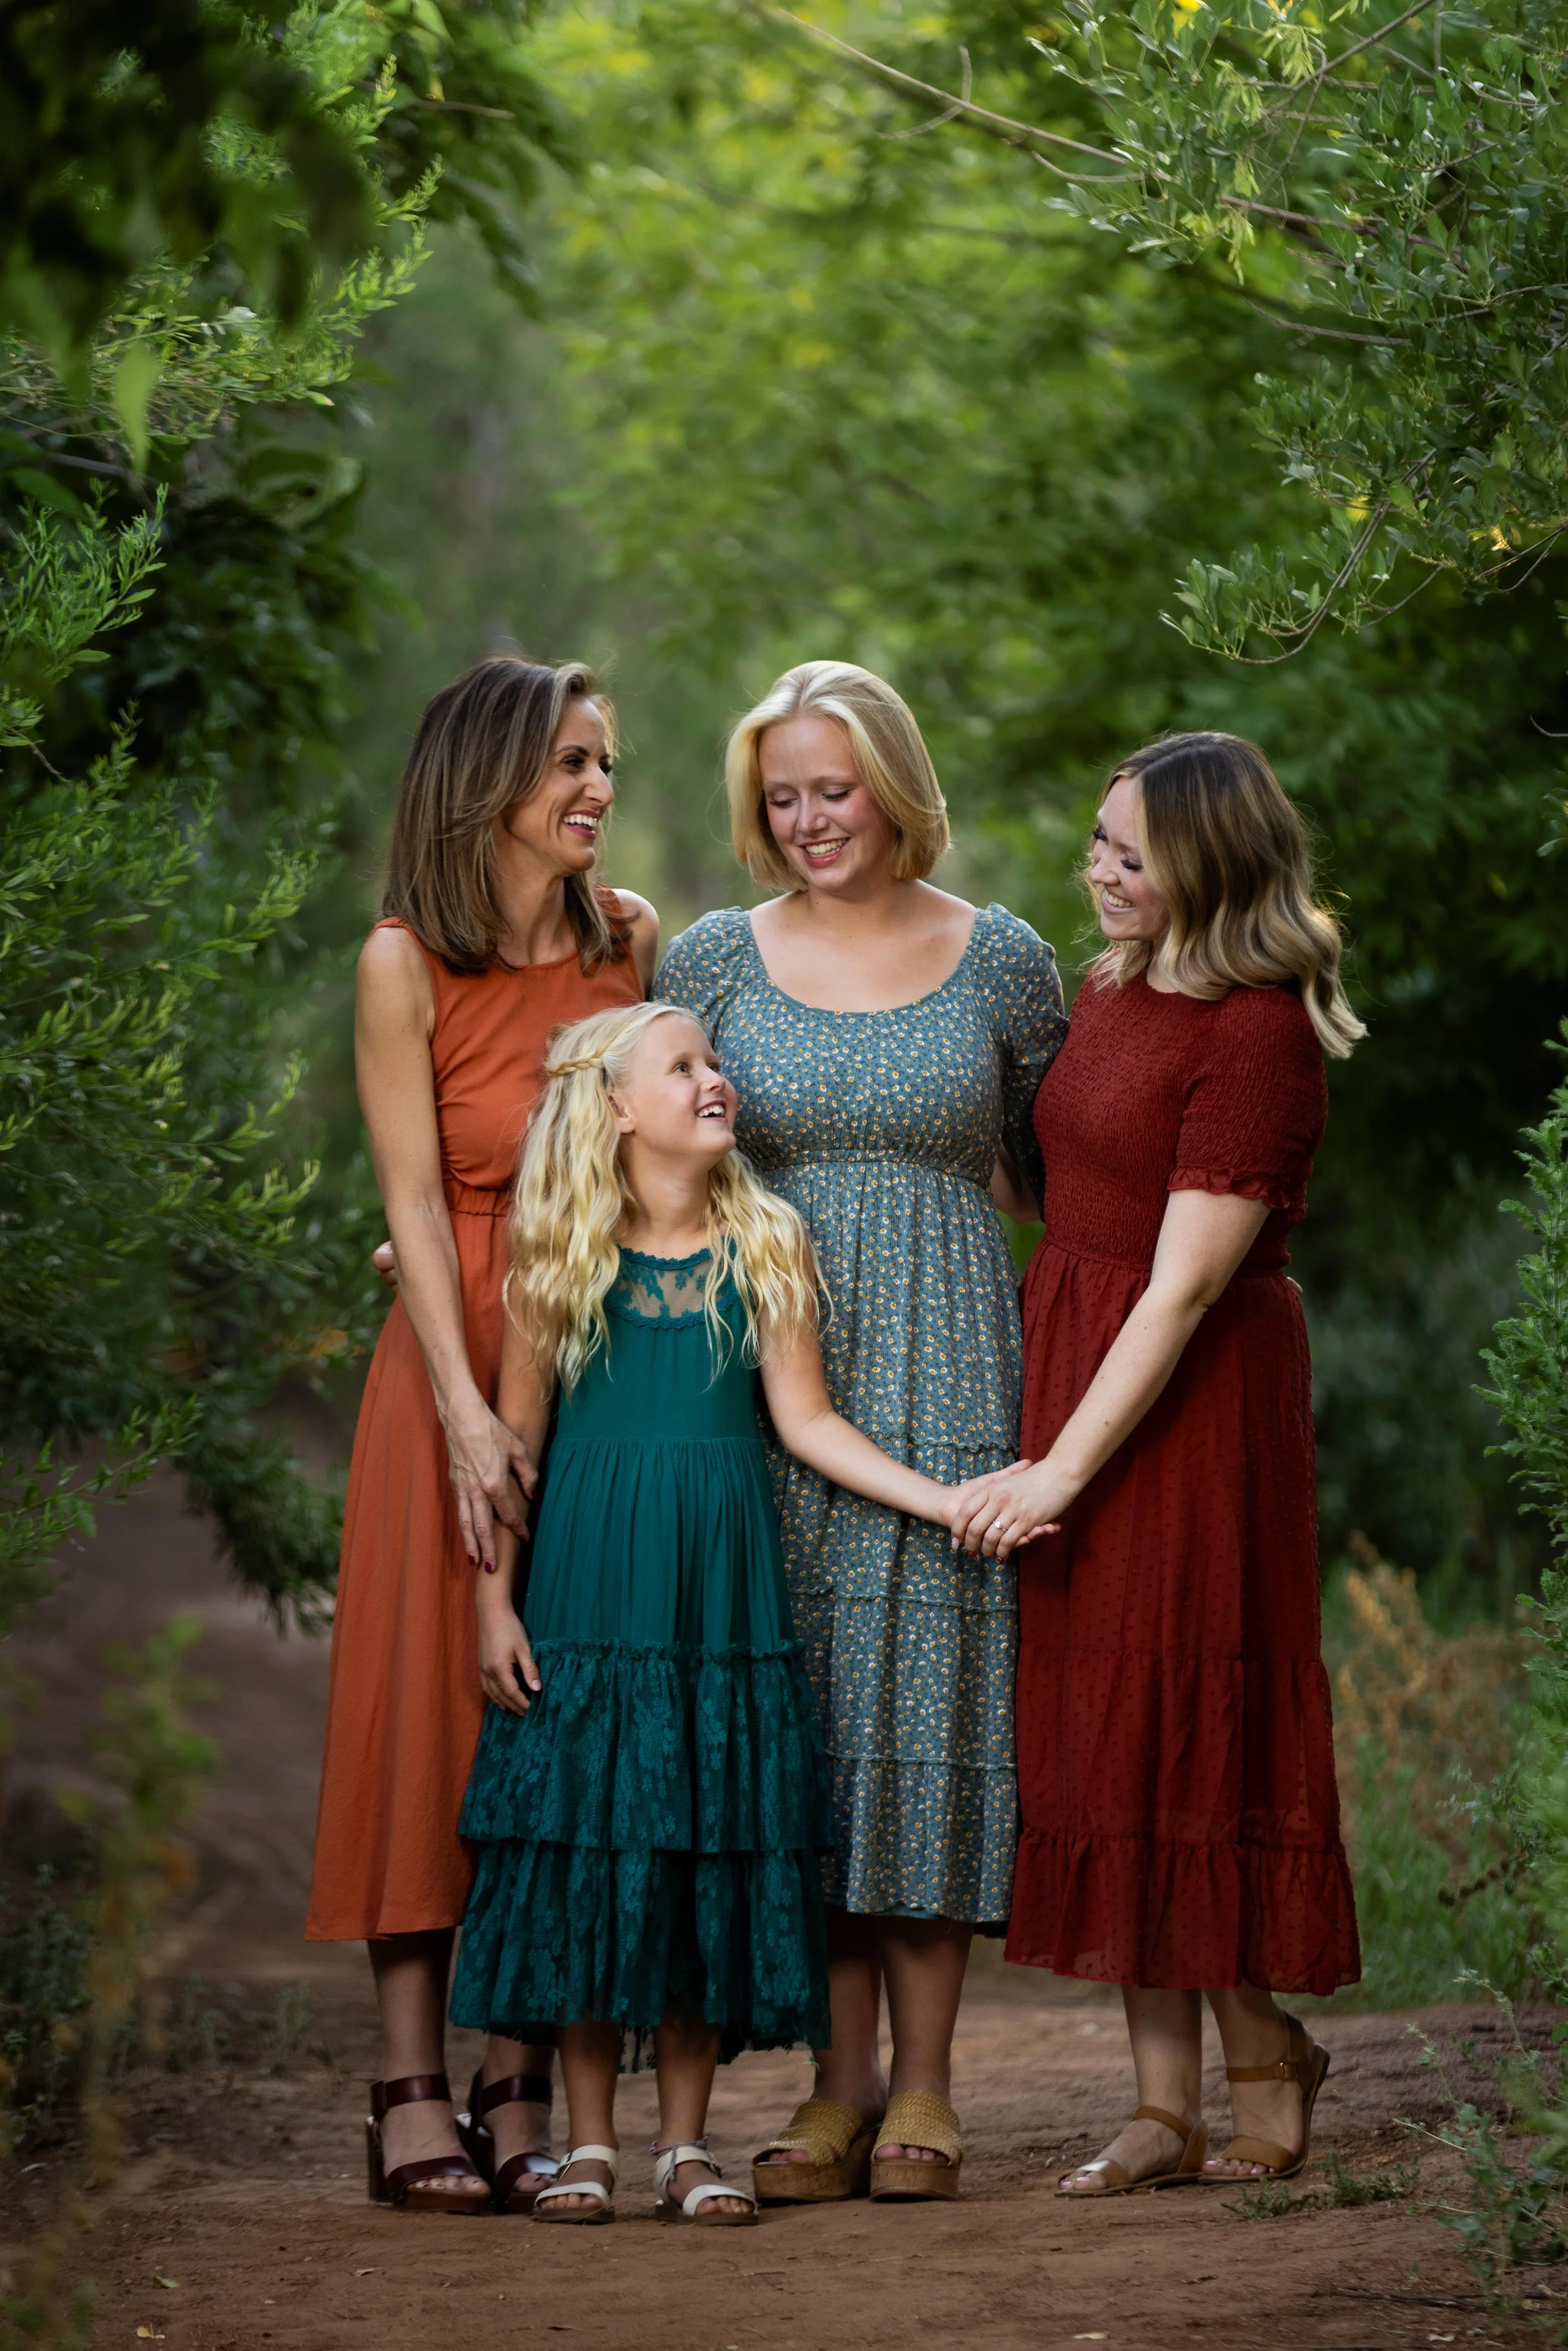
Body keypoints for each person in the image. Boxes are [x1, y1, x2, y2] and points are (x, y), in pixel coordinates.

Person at [447, 1000, 972, 2226]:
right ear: (615, 1107)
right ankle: (587, 2143)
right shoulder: (559, 1249)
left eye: (713, 1059)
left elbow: (809, 1422)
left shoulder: (763, 1240)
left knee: (689, 1850)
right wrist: (491, 1605)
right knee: (592, 1854)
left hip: (715, 1609)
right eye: (680, 1065)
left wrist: (942, 1499)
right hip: (586, 1598)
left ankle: (685, 2145)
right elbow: (511, 1450)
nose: (712, 1077)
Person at [657, 661, 1066, 2202]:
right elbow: (646, 1140)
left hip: (959, 1357)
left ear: (891, 782)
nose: (809, 818)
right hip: (765, 1382)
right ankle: (830, 2089)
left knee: (932, 1712)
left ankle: (929, 2088)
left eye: (833, 787)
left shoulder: (1004, 958)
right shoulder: (714, 954)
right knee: (814, 1725)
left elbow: (1057, 1171)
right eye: (782, 795)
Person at [949, 730, 1363, 2196]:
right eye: (1098, 843)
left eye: (1129, 851)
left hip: (1184, 1398)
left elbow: (1182, 1285)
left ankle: (1258, 2049)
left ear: (1209, 860)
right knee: (1107, 1714)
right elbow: (1054, 1184)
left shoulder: (1255, 1030)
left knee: (1183, 1696)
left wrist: (1059, 1469)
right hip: (1074, 1352)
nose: (1098, 870)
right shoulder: (1112, 988)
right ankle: (1160, 2103)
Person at [306, 656, 657, 2214]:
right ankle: (406, 2085)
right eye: (571, 762)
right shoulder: (402, 962)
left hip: (600, 1371)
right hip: (444, 1362)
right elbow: (404, 1195)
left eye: (605, 764)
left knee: (555, 1714)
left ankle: (522, 2077)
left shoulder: (624, 945)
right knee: (425, 1704)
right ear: (486, 779)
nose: (596, 788)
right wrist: (457, 1404)